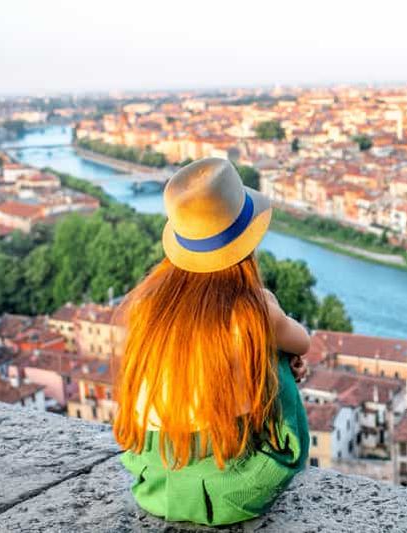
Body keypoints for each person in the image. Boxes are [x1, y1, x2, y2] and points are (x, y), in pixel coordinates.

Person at [112, 158, 310, 526]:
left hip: (156, 478)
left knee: (259, 339)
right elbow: (303, 342)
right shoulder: (254, 312)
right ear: (246, 241)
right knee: (271, 349)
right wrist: (268, 307)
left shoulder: (147, 305)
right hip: (236, 486)